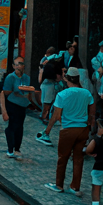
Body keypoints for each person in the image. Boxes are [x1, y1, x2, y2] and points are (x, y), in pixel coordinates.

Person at [39, 66, 95, 194]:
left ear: (67, 79)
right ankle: (75, 187)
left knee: (62, 158)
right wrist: (90, 127)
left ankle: (59, 185)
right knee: (78, 159)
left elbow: (56, 115)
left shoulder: (62, 94)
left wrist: (48, 130)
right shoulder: (86, 93)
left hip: (68, 129)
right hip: (83, 129)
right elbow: (92, 114)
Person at [0, 57, 32, 159]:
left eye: (20, 64)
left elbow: (29, 90)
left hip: (23, 105)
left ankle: (17, 148)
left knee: (20, 127)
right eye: (16, 64)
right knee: (12, 126)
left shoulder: (27, 78)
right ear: (13, 66)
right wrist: (17, 91)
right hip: (12, 104)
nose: (18, 66)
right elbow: (5, 92)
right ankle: (10, 149)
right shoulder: (10, 77)